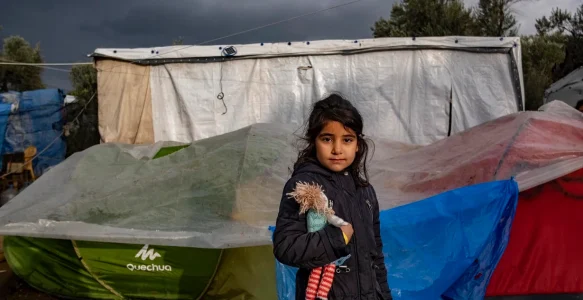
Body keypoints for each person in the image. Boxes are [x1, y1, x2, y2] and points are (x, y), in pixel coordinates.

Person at [273, 94, 392, 300]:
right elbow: (286, 247)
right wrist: (337, 238)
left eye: (347, 140)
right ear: (314, 142)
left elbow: (376, 257)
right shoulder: (304, 187)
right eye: (327, 139)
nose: (337, 149)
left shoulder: (365, 191)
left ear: (357, 144)